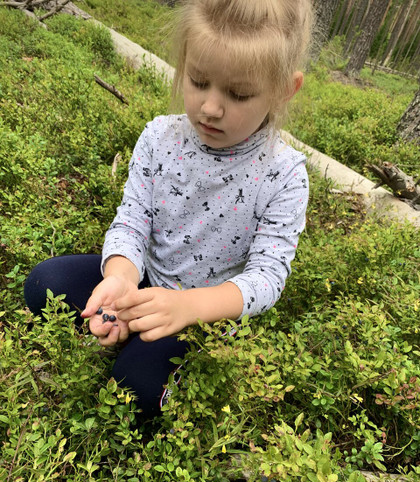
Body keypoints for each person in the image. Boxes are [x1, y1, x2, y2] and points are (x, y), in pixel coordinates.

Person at [24, 0, 313, 418]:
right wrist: (121, 278)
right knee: (42, 284)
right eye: (198, 81)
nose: (210, 108)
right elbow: (133, 220)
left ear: (286, 88)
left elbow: (267, 277)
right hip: (144, 282)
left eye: (238, 93)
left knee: (133, 392)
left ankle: (144, 352)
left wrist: (189, 308)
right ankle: (128, 328)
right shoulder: (160, 136)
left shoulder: (284, 174)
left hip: (203, 316)